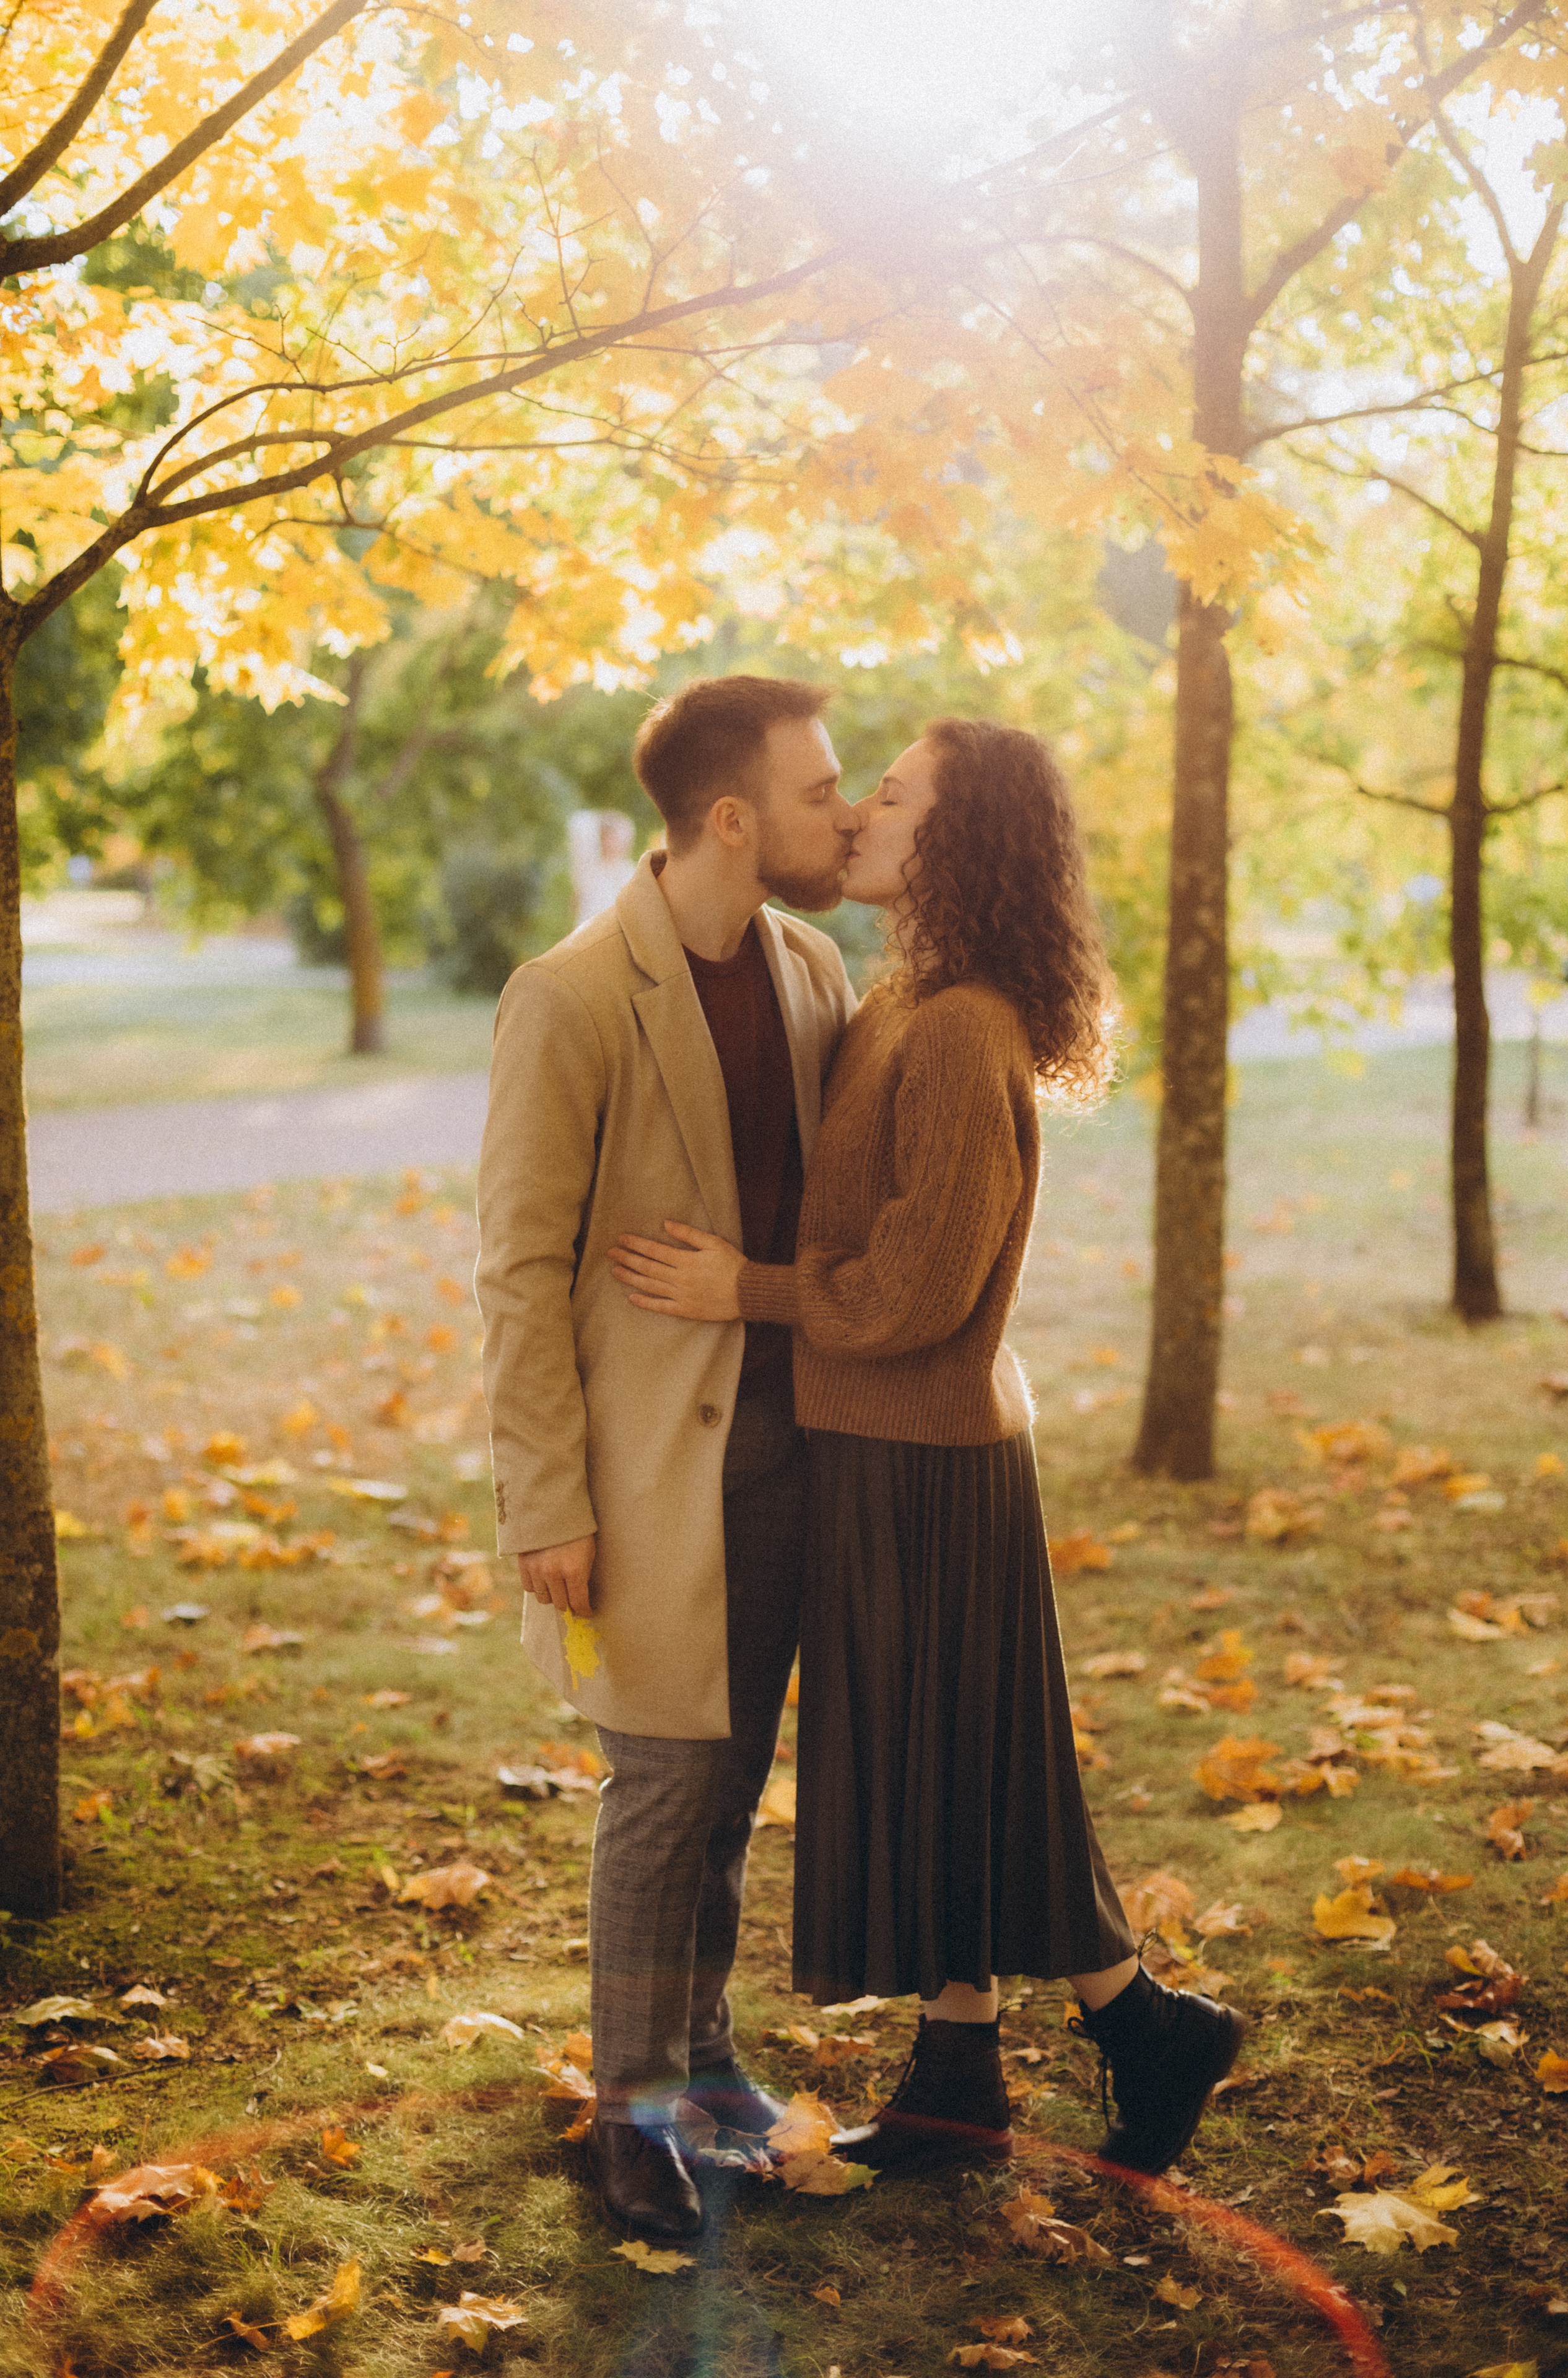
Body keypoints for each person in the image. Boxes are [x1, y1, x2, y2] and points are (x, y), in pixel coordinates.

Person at [610, 717, 1248, 2181]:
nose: (856, 819)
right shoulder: (904, 995)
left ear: (951, 841)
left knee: (954, 1758)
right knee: (941, 1763)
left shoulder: (958, 1029)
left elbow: (914, 1290)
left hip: (926, 1460)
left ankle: (1136, 2025)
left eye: (886, 798)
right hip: (882, 1445)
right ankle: (965, 2077)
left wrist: (744, 1290)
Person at [476, 674, 856, 2242]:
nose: (840, 811)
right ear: (728, 817)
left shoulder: (813, 964)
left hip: (789, 1452)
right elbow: (516, 1267)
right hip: (637, 1481)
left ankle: (702, 2069)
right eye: (819, 788)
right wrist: (544, 1504)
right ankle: (630, 2117)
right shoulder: (568, 997)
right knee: (659, 1790)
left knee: (728, 1786)